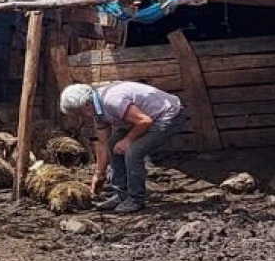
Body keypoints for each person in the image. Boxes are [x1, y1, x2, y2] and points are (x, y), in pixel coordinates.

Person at [59, 81, 186, 214]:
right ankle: (121, 194)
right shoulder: (97, 111)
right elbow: (103, 143)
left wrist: (128, 140)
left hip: (167, 115)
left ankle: (136, 199)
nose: (82, 117)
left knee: (133, 151)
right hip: (142, 120)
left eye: (79, 113)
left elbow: (144, 121)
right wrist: (99, 174)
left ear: (86, 105)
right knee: (113, 144)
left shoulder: (112, 101)